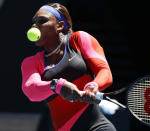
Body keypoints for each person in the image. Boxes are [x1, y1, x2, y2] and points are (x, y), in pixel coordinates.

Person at [21, 3, 116, 131]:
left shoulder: (79, 40)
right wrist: (57, 86)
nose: (34, 26)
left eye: (42, 21)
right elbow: (31, 90)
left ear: (59, 26)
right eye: (34, 22)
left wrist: (93, 86)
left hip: (97, 127)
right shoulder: (31, 62)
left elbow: (104, 71)